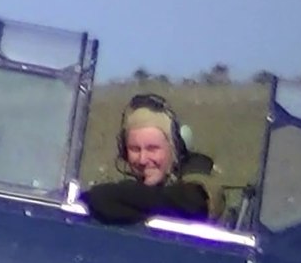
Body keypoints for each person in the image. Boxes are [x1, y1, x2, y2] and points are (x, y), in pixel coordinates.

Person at [81, 93, 223, 225]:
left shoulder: (199, 184)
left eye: (152, 148)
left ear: (174, 148)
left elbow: (191, 205)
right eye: (135, 149)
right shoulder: (136, 193)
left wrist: (105, 198)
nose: (142, 160)